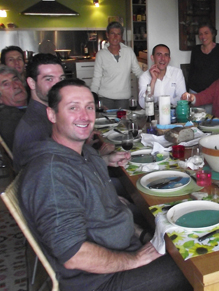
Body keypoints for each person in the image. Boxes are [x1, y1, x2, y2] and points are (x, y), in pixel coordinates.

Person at [19, 79, 192, 291]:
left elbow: (104, 212)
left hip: (120, 250)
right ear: (52, 114)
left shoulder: (78, 154)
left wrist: (141, 234)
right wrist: (134, 259)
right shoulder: (51, 174)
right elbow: (74, 256)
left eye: (89, 107)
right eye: (73, 107)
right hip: (100, 280)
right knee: (193, 268)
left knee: (179, 230)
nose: (84, 116)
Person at [12, 53, 65, 171]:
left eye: (61, 78)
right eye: (49, 79)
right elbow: (49, 176)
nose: (58, 85)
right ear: (31, 83)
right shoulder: (34, 128)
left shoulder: (46, 114)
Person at [91, 21, 144, 109]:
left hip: (123, 98)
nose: (115, 37)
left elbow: (138, 72)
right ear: (107, 35)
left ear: (121, 36)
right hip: (105, 97)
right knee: (107, 121)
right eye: (112, 33)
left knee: (122, 122)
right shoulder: (101, 54)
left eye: (118, 34)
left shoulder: (129, 51)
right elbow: (97, 77)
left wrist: (152, 78)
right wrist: (92, 96)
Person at [0, 46, 27, 133]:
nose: (16, 63)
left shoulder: (31, 85)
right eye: (11, 60)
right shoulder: (7, 119)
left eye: (19, 59)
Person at [0, 65, 28, 148]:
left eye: (16, 79)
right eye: (6, 84)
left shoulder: (28, 109)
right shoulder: (9, 119)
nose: (16, 85)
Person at [187, 23, 219, 94]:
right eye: (200, 34)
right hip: (194, 91)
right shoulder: (195, 49)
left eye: (206, 33)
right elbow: (192, 70)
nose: (203, 36)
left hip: (213, 91)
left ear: (213, 34)